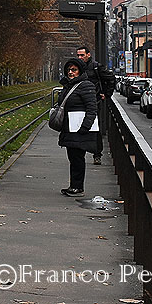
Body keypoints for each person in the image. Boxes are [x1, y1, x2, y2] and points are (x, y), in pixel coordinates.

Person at [58, 58, 99, 197]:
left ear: (80, 71)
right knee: (73, 157)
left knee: (77, 158)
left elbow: (92, 109)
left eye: (74, 70)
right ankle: (74, 186)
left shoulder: (86, 86)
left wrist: (85, 127)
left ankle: (77, 187)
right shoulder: (68, 85)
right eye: (68, 70)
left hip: (79, 129)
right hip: (70, 128)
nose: (70, 72)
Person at [76, 46, 114, 165]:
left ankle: (97, 154)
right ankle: (80, 153)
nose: (80, 57)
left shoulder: (96, 67)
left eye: (82, 55)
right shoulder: (76, 67)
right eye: (78, 55)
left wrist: (106, 94)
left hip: (94, 102)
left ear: (88, 55)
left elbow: (111, 78)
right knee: (78, 126)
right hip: (79, 103)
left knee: (95, 128)